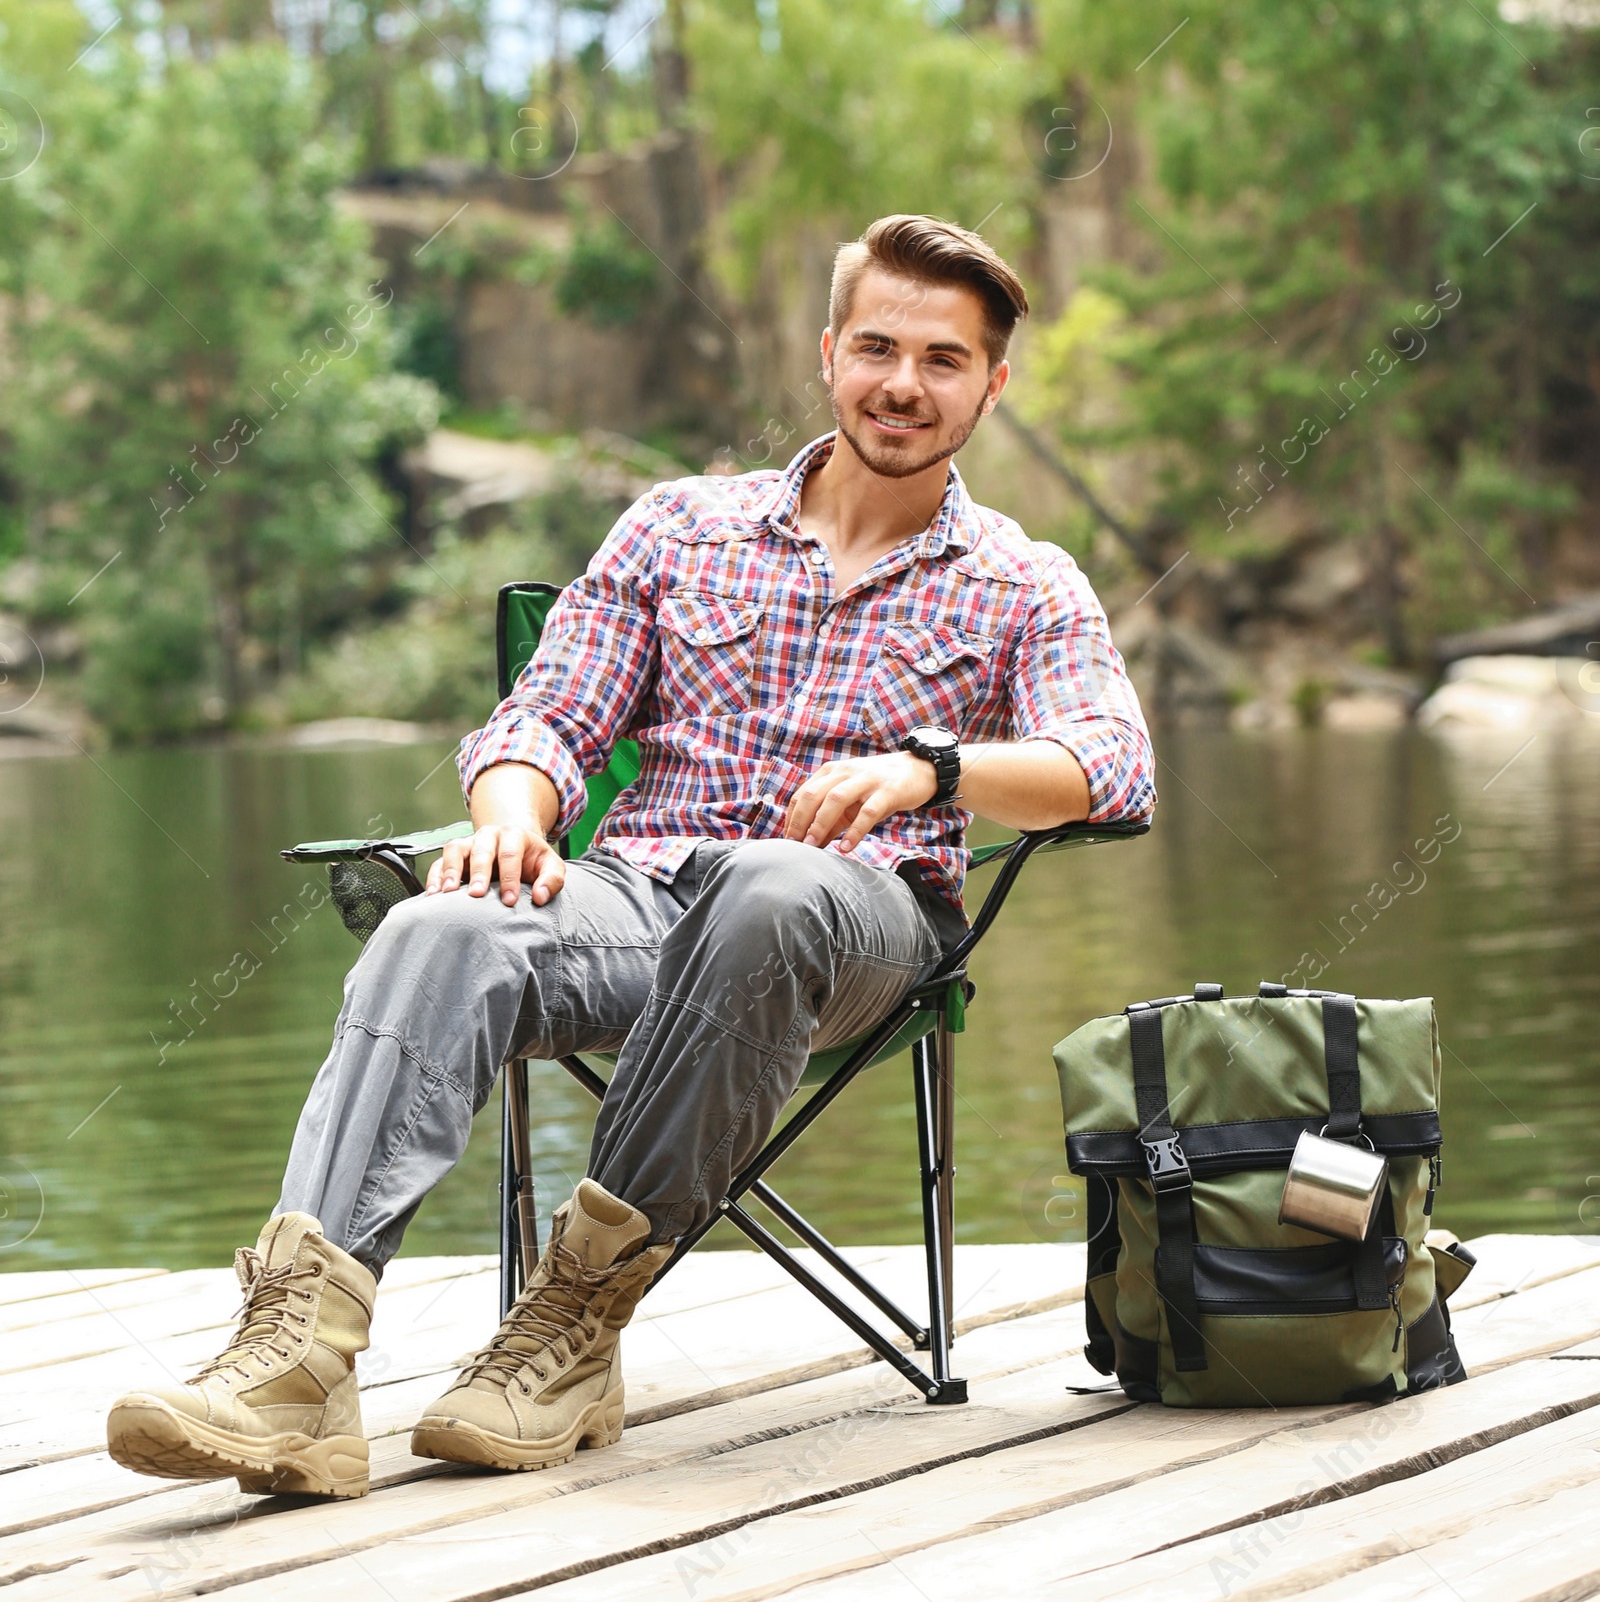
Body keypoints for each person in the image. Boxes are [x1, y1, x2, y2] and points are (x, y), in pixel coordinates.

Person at [107, 213, 1154, 1500]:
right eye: (877, 346)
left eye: (943, 360)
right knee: (437, 926)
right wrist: (509, 813)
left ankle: (570, 1326)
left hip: (856, 928)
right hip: (638, 897)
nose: (902, 382)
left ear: (992, 384)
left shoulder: (1024, 581)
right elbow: (546, 716)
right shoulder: (676, 529)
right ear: (829, 351)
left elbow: (1111, 765)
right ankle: (296, 1364)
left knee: (769, 887)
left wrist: (932, 767)